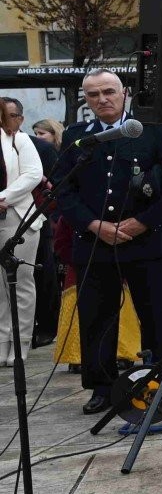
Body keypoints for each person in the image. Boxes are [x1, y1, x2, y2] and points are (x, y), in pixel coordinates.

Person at [56, 70, 162, 415]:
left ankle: (161, 383)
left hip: (145, 242)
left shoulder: (152, 130)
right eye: (94, 94)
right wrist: (94, 223)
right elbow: (63, 191)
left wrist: (142, 222)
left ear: (125, 92)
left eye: (109, 91)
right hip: (95, 244)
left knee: (158, 317)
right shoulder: (76, 136)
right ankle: (100, 387)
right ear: (86, 99)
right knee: (97, 319)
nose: (102, 99)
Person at [0, 97, 46, 363]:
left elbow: (32, 174)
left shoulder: (19, 139)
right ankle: (3, 340)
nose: (12, 119)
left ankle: (20, 342)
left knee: (19, 280)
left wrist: (4, 195)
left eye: (14, 114)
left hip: (17, 216)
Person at [29, 117, 61, 345]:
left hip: (39, 218)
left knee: (42, 273)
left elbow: (57, 186)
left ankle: (47, 326)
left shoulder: (41, 148)